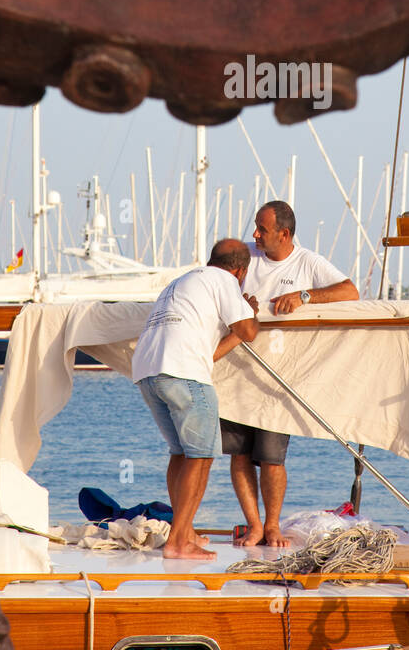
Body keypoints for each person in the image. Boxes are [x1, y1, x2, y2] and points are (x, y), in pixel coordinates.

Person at [221, 200, 358, 547]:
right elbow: (213, 281)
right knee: (239, 455)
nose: (254, 234)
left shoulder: (307, 262)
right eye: (255, 226)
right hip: (235, 369)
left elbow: (350, 291)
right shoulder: (245, 256)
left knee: (271, 457)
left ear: (283, 234)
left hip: (278, 376)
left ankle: (271, 526)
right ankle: (253, 526)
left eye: (262, 229)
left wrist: (304, 296)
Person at [132, 239, 259, 560]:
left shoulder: (185, 281)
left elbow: (212, 352)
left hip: (148, 371)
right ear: (240, 271)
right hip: (184, 372)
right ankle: (177, 542)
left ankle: (184, 530)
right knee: (201, 456)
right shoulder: (226, 281)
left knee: (180, 453)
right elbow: (248, 330)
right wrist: (251, 311)